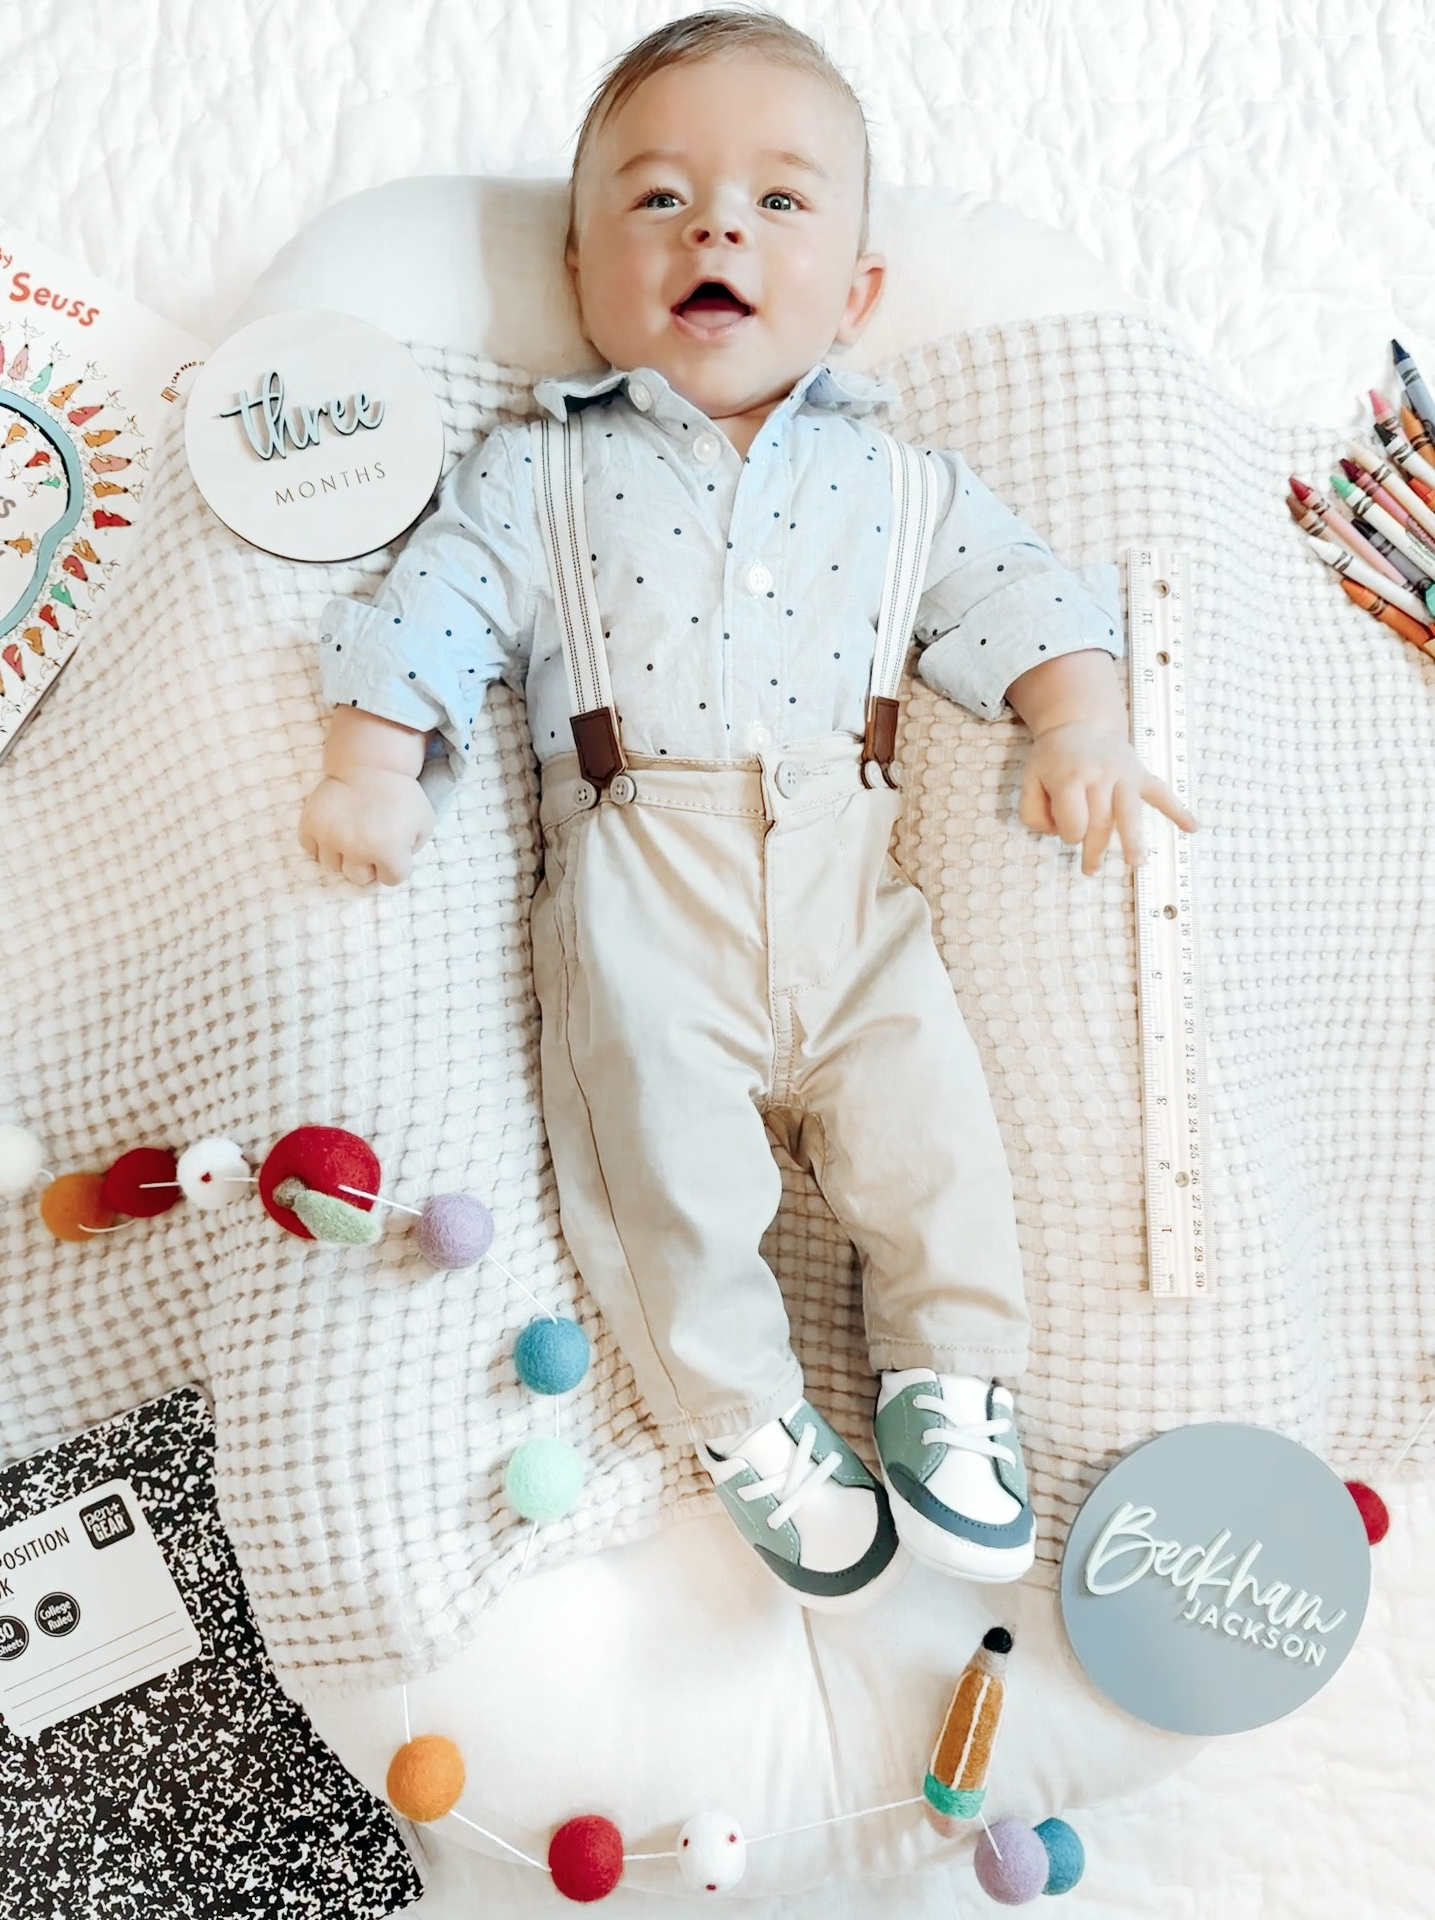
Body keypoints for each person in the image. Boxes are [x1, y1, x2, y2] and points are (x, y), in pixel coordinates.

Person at [298, 8, 1198, 1612]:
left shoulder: (903, 483)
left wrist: (1080, 722)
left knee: (935, 1132)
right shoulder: (538, 474)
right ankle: (745, 1417)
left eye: (779, 201)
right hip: (641, 864)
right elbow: (432, 600)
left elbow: (1020, 591)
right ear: (584, 275)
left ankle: (954, 1376)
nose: (714, 222)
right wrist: (373, 759)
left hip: (850, 870)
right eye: (655, 198)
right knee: (659, 1165)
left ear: (852, 297)